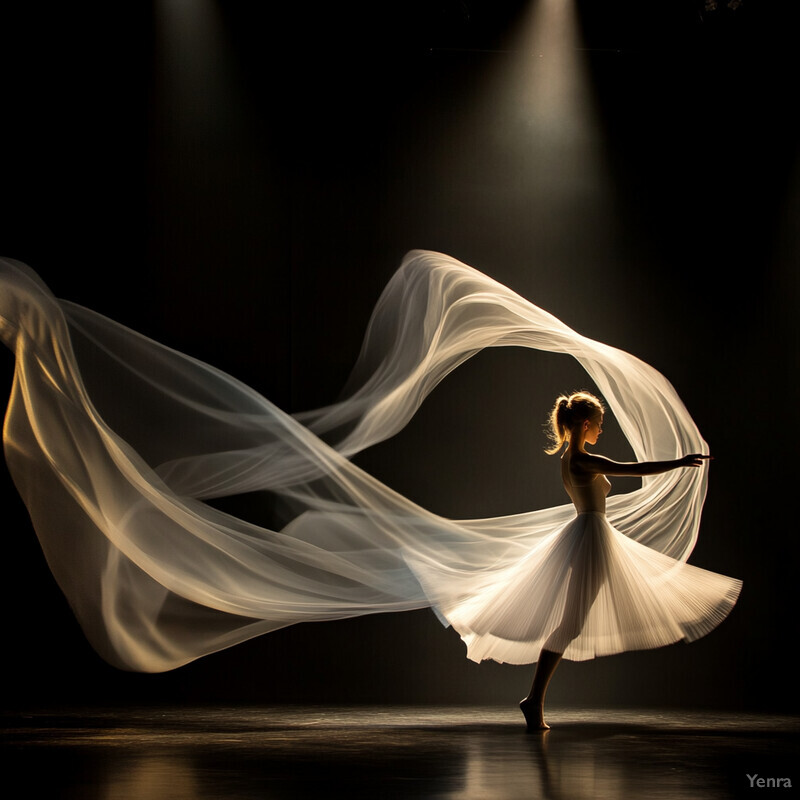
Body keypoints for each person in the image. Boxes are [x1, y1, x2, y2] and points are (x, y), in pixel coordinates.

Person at [518, 391, 712, 730]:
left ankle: (534, 700)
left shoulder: (569, 458)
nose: (601, 431)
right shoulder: (580, 460)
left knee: (572, 623)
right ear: (586, 423)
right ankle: (533, 700)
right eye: (600, 425)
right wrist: (679, 463)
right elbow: (634, 470)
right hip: (590, 535)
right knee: (571, 624)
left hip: (590, 533)